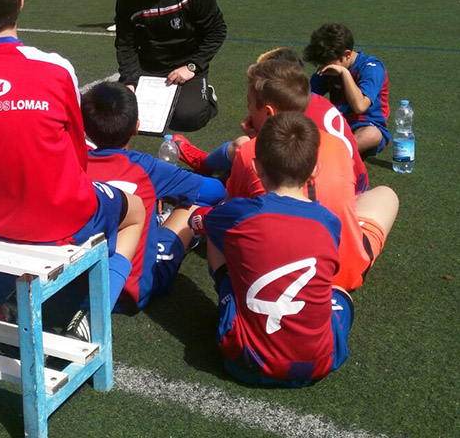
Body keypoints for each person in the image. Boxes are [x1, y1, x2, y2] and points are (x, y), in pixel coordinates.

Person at [0, 0, 145, 334]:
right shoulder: (56, 67)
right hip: (60, 213)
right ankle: (91, 310)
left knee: (16, 192)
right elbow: (75, 151)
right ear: (20, 4)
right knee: (134, 211)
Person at [189, 112, 352, 386]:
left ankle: (227, 288)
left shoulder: (239, 213)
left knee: (220, 236)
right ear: (315, 170)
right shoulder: (329, 222)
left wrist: (201, 214)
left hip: (244, 362)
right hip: (316, 365)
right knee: (340, 294)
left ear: (256, 166)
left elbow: (199, 221)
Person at [225, 59, 399, 292]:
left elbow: (232, 210)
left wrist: (255, 141)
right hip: (345, 272)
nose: (247, 110)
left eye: (249, 104)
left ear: (267, 112)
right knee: (386, 194)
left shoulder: (248, 153)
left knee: (223, 215)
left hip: (280, 275)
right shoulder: (336, 146)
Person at [82, 82, 226, 312]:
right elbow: (216, 191)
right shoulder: (146, 168)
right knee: (191, 206)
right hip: (132, 291)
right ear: (137, 127)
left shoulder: (71, 162)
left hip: (80, 286)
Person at [174, 47, 369, 194]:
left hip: (309, 196)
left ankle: (190, 180)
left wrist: (256, 141)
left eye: (250, 100)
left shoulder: (288, 124)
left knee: (241, 155)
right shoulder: (315, 103)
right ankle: (205, 164)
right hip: (354, 191)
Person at [115, 0, 226, 132]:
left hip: (187, 65)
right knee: (118, 114)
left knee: (189, 118)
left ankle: (207, 94)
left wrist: (193, 66)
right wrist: (129, 81)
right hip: (148, 67)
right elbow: (125, 44)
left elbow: (217, 31)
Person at [303, 23, 390, 155]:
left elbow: (360, 106)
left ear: (347, 54)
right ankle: (337, 150)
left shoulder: (372, 68)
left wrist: (345, 74)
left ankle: (334, 154)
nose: (324, 67)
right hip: (337, 124)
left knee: (372, 135)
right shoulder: (329, 67)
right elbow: (305, 98)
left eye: (327, 63)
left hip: (364, 125)